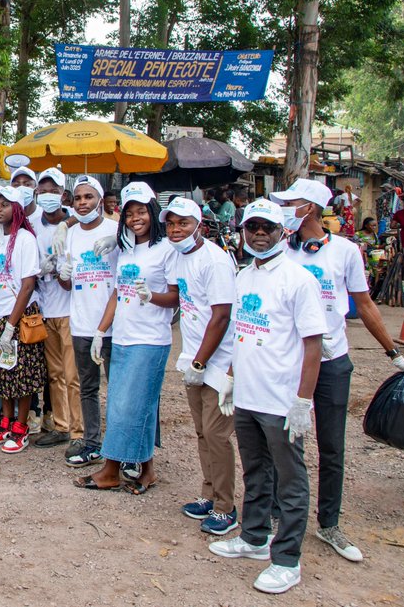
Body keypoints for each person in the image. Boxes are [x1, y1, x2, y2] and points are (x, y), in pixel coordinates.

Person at [272, 178, 404, 563]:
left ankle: (329, 523)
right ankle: (277, 513)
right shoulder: (280, 250)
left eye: (290, 203)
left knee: (331, 445)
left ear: (311, 208)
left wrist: (393, 353)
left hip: (333, 361)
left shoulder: (346, 252)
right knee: (283, 441)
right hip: (290, 362)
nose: (284, 210)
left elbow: (364, 304)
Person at [207, 198, 326, 595]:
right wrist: (230, 376)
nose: (259, 234)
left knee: (290, 481)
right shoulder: (244, 276)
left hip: (280, 399)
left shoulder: (298, 280)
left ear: (282, 232)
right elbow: (243, 331)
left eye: (267, 228)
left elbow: (313, 345)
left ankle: (287, 559)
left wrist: (303, 400)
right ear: (242, 231)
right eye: (252, 227)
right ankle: (254, 537)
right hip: (248, 396)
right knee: (256, 471)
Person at [74, 182, 176, 495]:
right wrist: (100, 331)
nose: (135, 218)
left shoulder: (166, 249)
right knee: (133, 406)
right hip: (122, 336)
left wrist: (152, 296)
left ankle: (111, 470)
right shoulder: (128, 249)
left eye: (141, 211)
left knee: (128, 406)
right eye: (130, 213)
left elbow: (176, 297)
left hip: (150, 339)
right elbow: (117, 294)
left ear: (153, 211)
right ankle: (146, 471)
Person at [163, 197, 239, 535]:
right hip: (194, 358)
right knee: (201, 431)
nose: (176, 230)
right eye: (171, 224)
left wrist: (201, 361)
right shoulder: (178, 258)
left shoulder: (215, 261)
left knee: (217, 434)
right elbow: (179, 299)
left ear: (200, 226)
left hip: (219, 362)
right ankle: (209, 494)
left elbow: (221, 317)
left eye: (183, 223)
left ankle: (225, 508)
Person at [0, 186, 45, 454]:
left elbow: (28, 285)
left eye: (5, 205)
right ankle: (5, 423)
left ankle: (21, 427)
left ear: (16, 208)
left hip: (20, 316)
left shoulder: (26, 239)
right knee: (1, 372)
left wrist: (10, 326)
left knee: (22, 375)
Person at [60, 175, 119, 467]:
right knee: (88, 388)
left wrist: (104, 327)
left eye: (88, 197)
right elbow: (67, 285)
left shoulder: (116, 231)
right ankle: (92, 444)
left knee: (118, 390)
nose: (82, 203)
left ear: (100, 200)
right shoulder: (71, 234)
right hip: (81, 324)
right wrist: (63, 274)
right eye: (78, 198)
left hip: (114, 327)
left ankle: (119, 448)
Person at [29, 168, 81, 449]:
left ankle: (79, 431)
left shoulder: (74, 223)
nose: (48, 195)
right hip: (45, 308)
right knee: (55, 373)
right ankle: (61, 425)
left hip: (71, 310)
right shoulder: (34, 225)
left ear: (63, 194)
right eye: (43, 190)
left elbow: (90, 217)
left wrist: (66, 224)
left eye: (54, 191)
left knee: (73, 375)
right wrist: (42, 270)